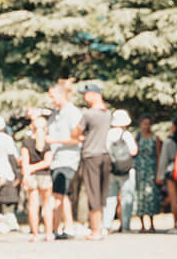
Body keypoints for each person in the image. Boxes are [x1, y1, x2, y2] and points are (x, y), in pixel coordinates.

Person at [73, 83, 112, 241]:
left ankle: (95, 230)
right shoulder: (108, 113)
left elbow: (75, 132)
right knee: (102, 194)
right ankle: (99, 227)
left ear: (94, 94)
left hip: (91, 155)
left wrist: (82, 136)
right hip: (105, 155)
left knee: (92, 193)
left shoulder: (88, 114)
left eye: (86, 94)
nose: (84, 97)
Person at [47, 82, 83, 239]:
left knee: (59, 194)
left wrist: (55, 140)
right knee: (62, 194)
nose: (51, 100)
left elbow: (78, 139)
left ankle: (58, 228)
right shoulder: (54, 115)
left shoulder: (73, 113)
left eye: (53, 97)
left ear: (62, 95)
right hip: (54, 160)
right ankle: (66, 226)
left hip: (67, 160)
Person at [104, 109, 138, 233]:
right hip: (127, 170)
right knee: (127, 198)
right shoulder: (127, 135)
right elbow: (134, 151)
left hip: (112, 170)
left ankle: (106, 225)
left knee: (110, 198)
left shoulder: (107, 134)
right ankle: (126, 225)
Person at [21, 114, 54, 241]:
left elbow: (24, 162)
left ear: (32, 127)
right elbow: (48, 162)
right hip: (45, 175)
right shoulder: (46, 144)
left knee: (33, 205)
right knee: (46, 205)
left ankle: (35, 234)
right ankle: (49, 233)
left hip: (32, 176)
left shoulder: (26, 143)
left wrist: (28, 171)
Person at [133, 116, 160, 232]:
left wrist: (158, 171)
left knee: (151, 196)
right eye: (144, 123)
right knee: (140, 195)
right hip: (140, 169)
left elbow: (158, 155)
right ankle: (142, 224)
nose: (146, 126)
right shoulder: (138, 137)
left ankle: (152, 223)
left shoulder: (155, 138)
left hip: (151, 169)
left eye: (148, 124)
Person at [156, 119, 177, 230]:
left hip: (172, 171)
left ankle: (175, 223)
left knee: (174, 199)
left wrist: (160, 176)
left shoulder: (169, 142)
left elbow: (163, 159)